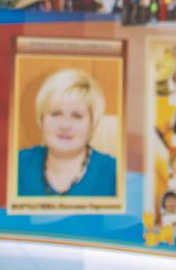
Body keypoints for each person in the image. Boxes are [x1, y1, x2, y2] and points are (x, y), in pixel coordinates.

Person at [16, 68, 118, 198]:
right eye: (56, 113)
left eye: (77, 116)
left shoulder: (115, 174)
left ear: (92, 124)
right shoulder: (16, 166)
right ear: (41, 118)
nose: (65, 125)